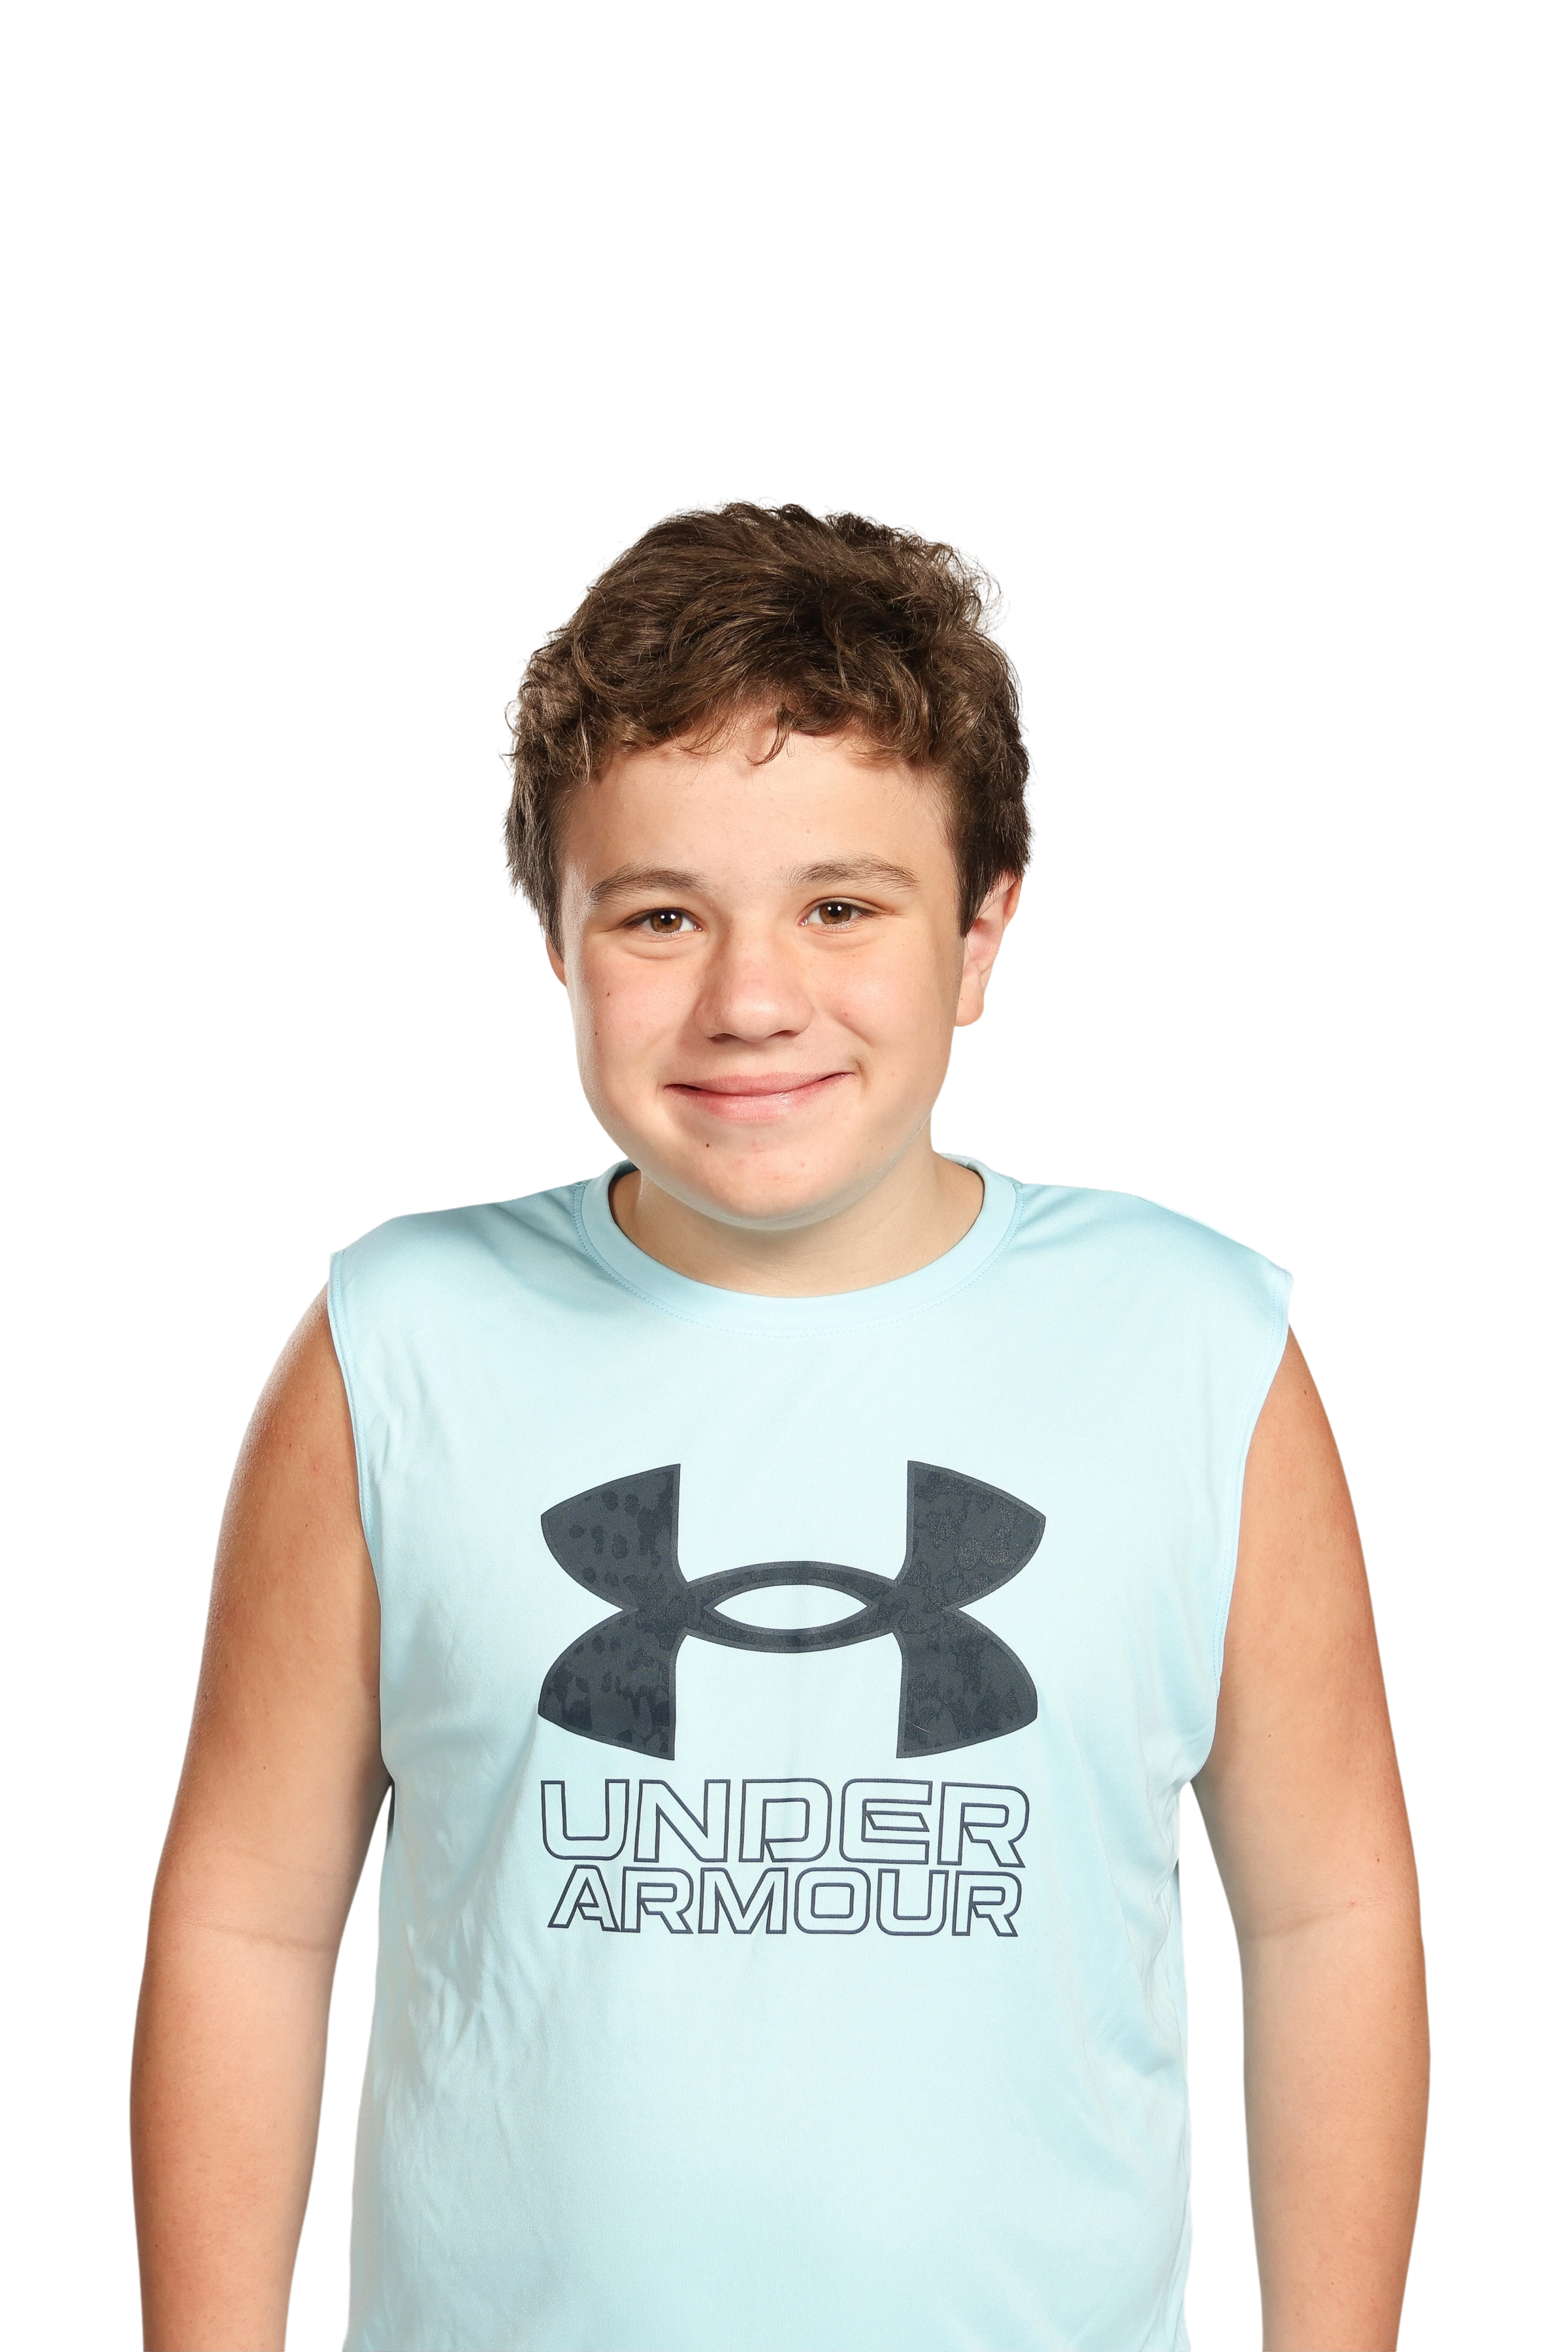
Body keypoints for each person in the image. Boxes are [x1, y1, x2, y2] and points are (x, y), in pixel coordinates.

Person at [127, 496, 1429, 2352]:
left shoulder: (1192, 1353)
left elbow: (1325, 1922)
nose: (752, 1001)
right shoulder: (397, 1351)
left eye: (842, 907)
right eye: (661, 915)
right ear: (556, 943)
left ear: (979, 934)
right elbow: (250, 1927)